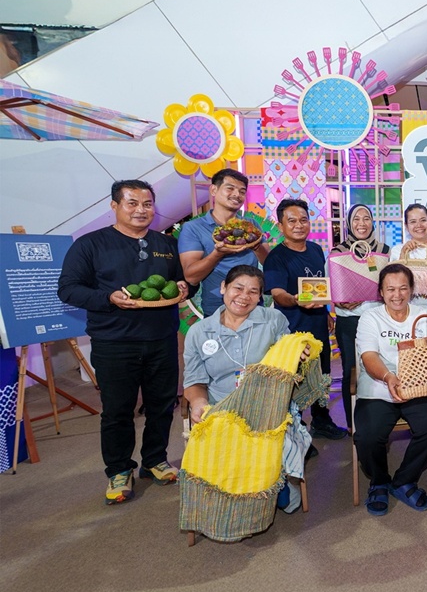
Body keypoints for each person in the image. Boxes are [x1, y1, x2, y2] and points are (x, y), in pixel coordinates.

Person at [58, 180, 189, 504]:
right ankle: (118, 469)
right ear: (114, 206)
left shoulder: (166, 244)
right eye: (132, 203)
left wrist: (185, 287)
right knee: (117, 410)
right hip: (114, 342)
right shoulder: (90, 244)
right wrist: (108, 298)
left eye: (147, 204)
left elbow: (182, 282)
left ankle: (155, 460)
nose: (141, 210)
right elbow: (68, 289)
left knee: (162, 404)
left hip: (161, 339)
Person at [182, 265, 310, 512]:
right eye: (238, 288)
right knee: (222, 441)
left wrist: (299, 351)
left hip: (267, 404)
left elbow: (289, 352)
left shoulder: (273, 320)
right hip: (221, 407)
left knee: (272, 443)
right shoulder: (200, 332)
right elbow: (194, 380)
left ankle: (275, 483)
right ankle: (239, 492)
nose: (244, 297)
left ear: (260, 296)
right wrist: (198, 403)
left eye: (253, 291)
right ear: (223, 288)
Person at [354, 264, 427, 515]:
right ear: (381, 292)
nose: (397, 295)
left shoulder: (424, 316)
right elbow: (369, 356)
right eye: (390, 289)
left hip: (419, 386)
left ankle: (404, 480)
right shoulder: (370, 318)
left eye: (403, 288)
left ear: (412, 290)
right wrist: (388, 376)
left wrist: (415, 376)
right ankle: (379, 481)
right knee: (367, 436)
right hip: (379, 385)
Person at [263, 199, 347, 440]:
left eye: (303, 220)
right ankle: (295, 433)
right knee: (296, 380)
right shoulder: (276, 258)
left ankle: (321, 421)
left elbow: (319, 288)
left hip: (318, 325)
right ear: (281, 226)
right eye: (291, 221)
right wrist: (295, 300)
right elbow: (278, 294)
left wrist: (327, 311)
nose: (299, 225)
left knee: (322, 375)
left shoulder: (315, 250)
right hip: (293, 331)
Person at [179, 168, 269, 317]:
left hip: (253, 306)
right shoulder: (193, 228)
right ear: (213, 190)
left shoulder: (251, 225)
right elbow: (191, 277)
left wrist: (256, 246)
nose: (237, 194)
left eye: (242, 191)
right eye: (230, 188)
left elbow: (269, 262)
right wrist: (217, 254)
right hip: (216, 309)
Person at [332, 203, 390, 431]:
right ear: (349, 223)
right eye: (356, 219)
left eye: (366, 218)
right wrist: (339, 300)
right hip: (348, 320)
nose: (362, 223)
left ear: (373, 222)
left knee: (378, 367)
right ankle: (352, 424)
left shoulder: (384, 251)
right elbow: (331, 286)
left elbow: (389, 284)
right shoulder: (337, 252)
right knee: (350, 370)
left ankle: (379, 421)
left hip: (377, 319)